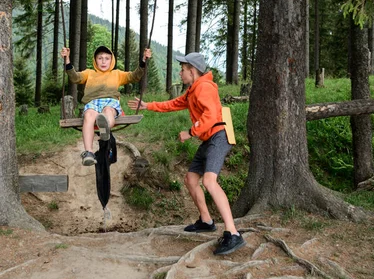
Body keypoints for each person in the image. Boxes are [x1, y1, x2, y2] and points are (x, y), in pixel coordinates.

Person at [128, 52, 245, 256]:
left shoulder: (204, 88)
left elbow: (209, 115)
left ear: (192, 71)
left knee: (209, 181)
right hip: (208, 137)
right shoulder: (193, 91)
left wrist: (190, 132)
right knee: (191, 179)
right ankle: (207, 221)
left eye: (182, 70)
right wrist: (148, 106)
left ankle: (233, 233)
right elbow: (173, 104)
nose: (180, 73)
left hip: (219, 136)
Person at [60, 45, 151, 166]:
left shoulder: (117, 74)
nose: (103, 61)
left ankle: (105, 129)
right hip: (92, 103)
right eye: (100, 58)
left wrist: (144, 60)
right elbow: (75, 77)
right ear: (95, 60)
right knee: (88, 116)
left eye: (107, 58)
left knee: (108, 111)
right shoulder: (89, 73)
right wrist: (67, 60)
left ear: (111, 60)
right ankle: (89, 153)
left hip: (110, 102)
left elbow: (134, 76)